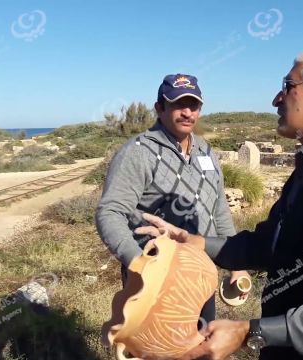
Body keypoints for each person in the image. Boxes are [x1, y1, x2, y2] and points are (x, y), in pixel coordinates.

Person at [136, 48, 303, 360]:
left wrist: (248, 331)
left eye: (288, 86)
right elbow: (270, 245)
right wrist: (193, 242)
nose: (277, 99)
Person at [95, 74, 249, 324]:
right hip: (154, 277)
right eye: (178, 104)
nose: (188, 112)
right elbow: (110, 213)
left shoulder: (206, 151)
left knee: (200, 345)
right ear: (159, 108)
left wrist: (236, 263)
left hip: (201, 272)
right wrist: (138, 265)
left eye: (194, 105)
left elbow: (218, 210)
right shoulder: (138, 152)